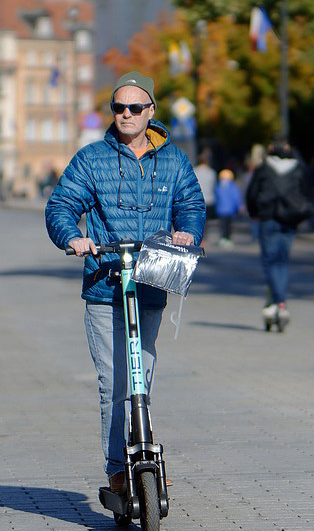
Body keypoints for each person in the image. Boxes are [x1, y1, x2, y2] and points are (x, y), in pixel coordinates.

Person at [45, 70, 204, 493]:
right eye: (119, 107)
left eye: (135, 107)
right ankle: (118, 467)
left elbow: (190, 203)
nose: (127, 114)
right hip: (104, 285)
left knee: (141, 377)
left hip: (149, 283)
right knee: (114, 383)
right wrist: (73, 237)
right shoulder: (92, 159)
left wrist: (188, 231)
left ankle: (145, 450)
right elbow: (61, 205)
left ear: (151, 111)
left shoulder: (172, 159)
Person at [245, 135, 312, 327]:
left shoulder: (265, 167)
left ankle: (278, 301)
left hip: (268, 218)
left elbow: (252, 192)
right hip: (290, 218)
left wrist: (253, 212)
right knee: (282, 261)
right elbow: (306, 192)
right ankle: (278, 302)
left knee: (270, 262)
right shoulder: (297, 167)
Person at [214, 168, 243, 247]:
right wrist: (239, 206)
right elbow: (236, 197)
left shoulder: (218, 186)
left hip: (221, 209)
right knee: (229, 225)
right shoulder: (232, 186)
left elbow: (216, 197)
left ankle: (223, 238)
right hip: (230, 210)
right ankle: (228, 238)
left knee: (222, 225)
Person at [193, 149, 217, 225]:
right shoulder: (212, 172)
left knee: (198, 222)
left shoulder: (194, 171)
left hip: (197, 200)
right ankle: (205, 235)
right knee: (207, 222)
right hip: (209, 200)